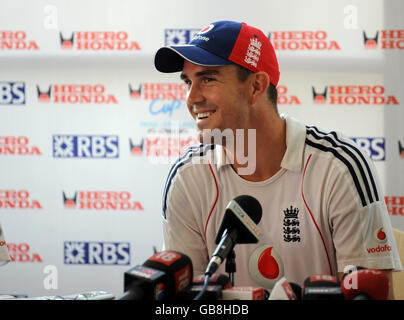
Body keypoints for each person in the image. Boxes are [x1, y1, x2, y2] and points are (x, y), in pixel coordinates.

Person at [154, 20, 402, 298]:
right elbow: (187, 299)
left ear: (257, 86)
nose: (192, 98)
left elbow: (368, 294)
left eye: (207, 79)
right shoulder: (187, 177)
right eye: (188, 82)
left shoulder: (339, 166)